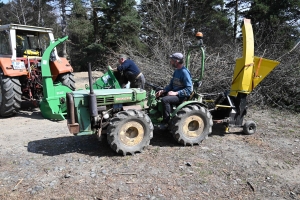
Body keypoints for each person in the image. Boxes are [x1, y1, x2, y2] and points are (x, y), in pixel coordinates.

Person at [156, 52, 193, 125]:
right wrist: (164, 90)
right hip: (174, 93)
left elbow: (189, 89)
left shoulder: (184, 72)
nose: (170, 62)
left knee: (165, 100)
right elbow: (171, 85)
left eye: (172, 60)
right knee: (157, 91)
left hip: (181, 96)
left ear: (177, 61)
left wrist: (176, 93)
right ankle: (157, 115)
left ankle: (167, 122)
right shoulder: (176, 71)